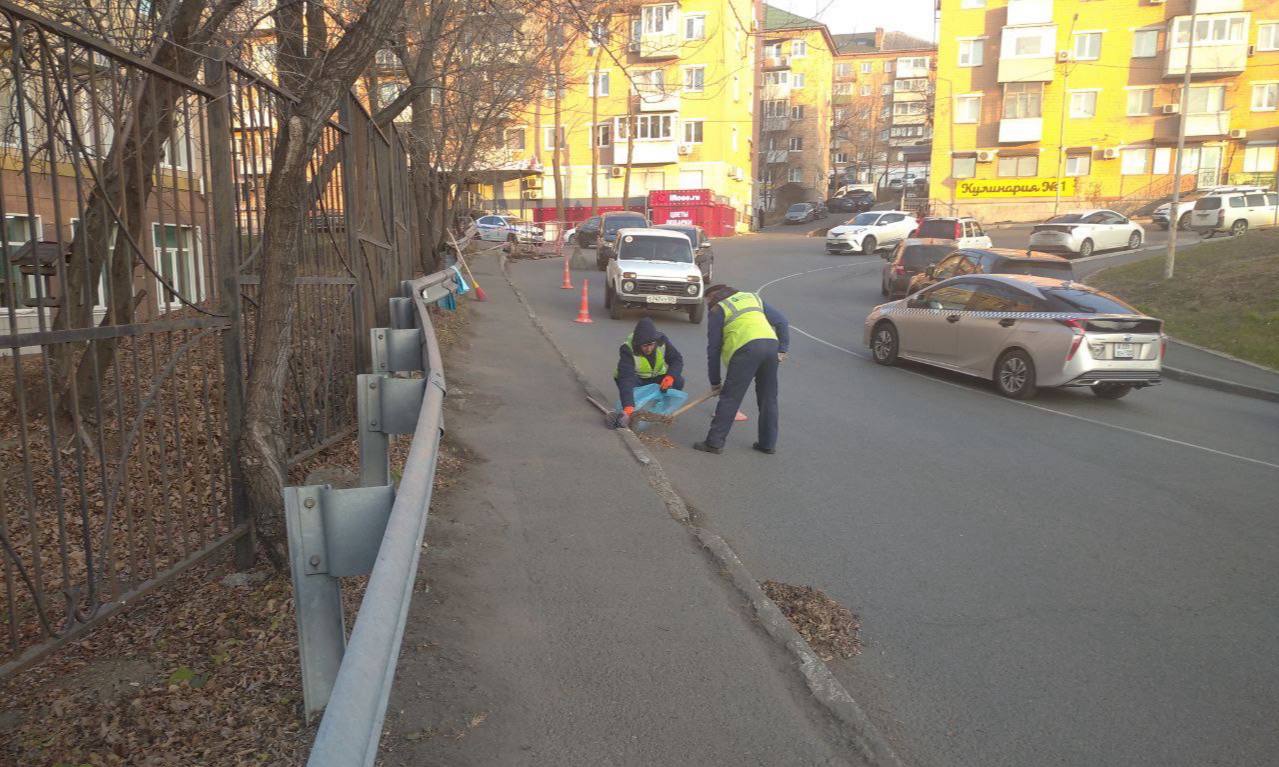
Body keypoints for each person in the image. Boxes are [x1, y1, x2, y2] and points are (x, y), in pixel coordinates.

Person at [694, 284, 788, 455]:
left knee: (730, 398)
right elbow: (782, 321)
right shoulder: (752, 297)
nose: (708, 304)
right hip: (771, 345)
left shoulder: (718, 309)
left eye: (708, 300)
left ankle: (714, 443)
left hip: (746, 350)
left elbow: (713, 349)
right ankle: (767, 444)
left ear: (714, 296)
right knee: (769, 398)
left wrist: (715, 382)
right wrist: (782, 349)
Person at [613, 317, 685, 428]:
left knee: (678, 381)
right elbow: (626, 379)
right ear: (638, 344)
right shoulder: (627, 349)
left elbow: (676, 359)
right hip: (635, 379)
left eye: (651, 344)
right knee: (632, 397)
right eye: (645, 346)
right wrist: (628, 407)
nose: (649, 349)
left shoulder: (661, 341)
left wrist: (670, 377)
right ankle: (632, 410)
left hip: (656, 376)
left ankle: (660, 409)